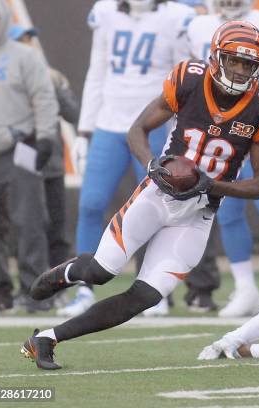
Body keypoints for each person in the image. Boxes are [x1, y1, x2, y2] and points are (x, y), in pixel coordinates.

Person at [21, 20, 259, 370]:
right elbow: (138, 130)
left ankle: (46, 339)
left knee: (144, 296)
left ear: (258, 67)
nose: (239, 71)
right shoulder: (189, 79)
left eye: (247, 64)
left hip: (198, 213)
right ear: (215, 58)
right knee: (102, 271)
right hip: (157, 196)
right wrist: (153, 165)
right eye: (232, 61)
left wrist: (210, 185)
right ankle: (67, 274)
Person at [61, 0, 197, 317]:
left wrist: (179, 132)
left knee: (154, 209)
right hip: (109, 124)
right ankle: (83, 288)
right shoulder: (107, 12)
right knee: (91, 204)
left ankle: (152, 288)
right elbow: (97, 71)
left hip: (153, 127)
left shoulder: (175, 17)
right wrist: (83, 131)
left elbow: (185, 79)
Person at [187, 0, 259, 317]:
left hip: (256, 125)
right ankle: (245, 288)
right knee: (226, 211)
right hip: (217, 131)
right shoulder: (197, 25)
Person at [0, 0, 59, 313]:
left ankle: (36, 292)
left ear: (2, 20)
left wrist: (44, 138)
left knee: (27, 222)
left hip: (17, 149)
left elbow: (44, 96)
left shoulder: (23, 56)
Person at [8, 25, 80, 276]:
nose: (28, 45)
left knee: (56, 229)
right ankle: (23, 285)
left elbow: (72, 114)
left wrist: (55, 89)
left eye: (29, 39)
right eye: (21, 40)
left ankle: (58, 284)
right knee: (24, 227)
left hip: (50, 162)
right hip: (16, 165)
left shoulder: (51, 77)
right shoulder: (2, 79)